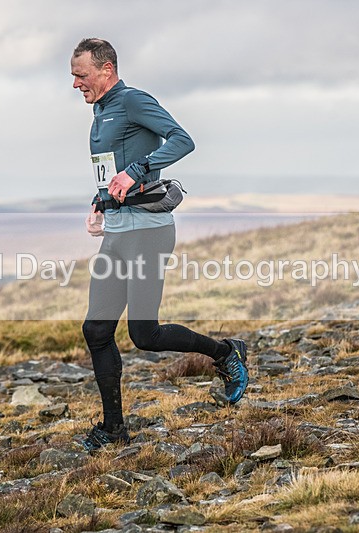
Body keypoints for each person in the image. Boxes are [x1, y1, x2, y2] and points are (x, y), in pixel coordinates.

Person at [70, 38, 249, 452]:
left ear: (106, 70)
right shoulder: (99, 112)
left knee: (145, 334)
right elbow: (111, 173)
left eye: (81, 76)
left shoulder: (132, 101)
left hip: (149, 232)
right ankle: (114, 428)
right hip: (117, 231)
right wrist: (101, 203)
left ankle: (225, 354)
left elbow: (182, 139)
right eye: (74, 77)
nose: (76, 84)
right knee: (96, 329)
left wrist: (137, 170)